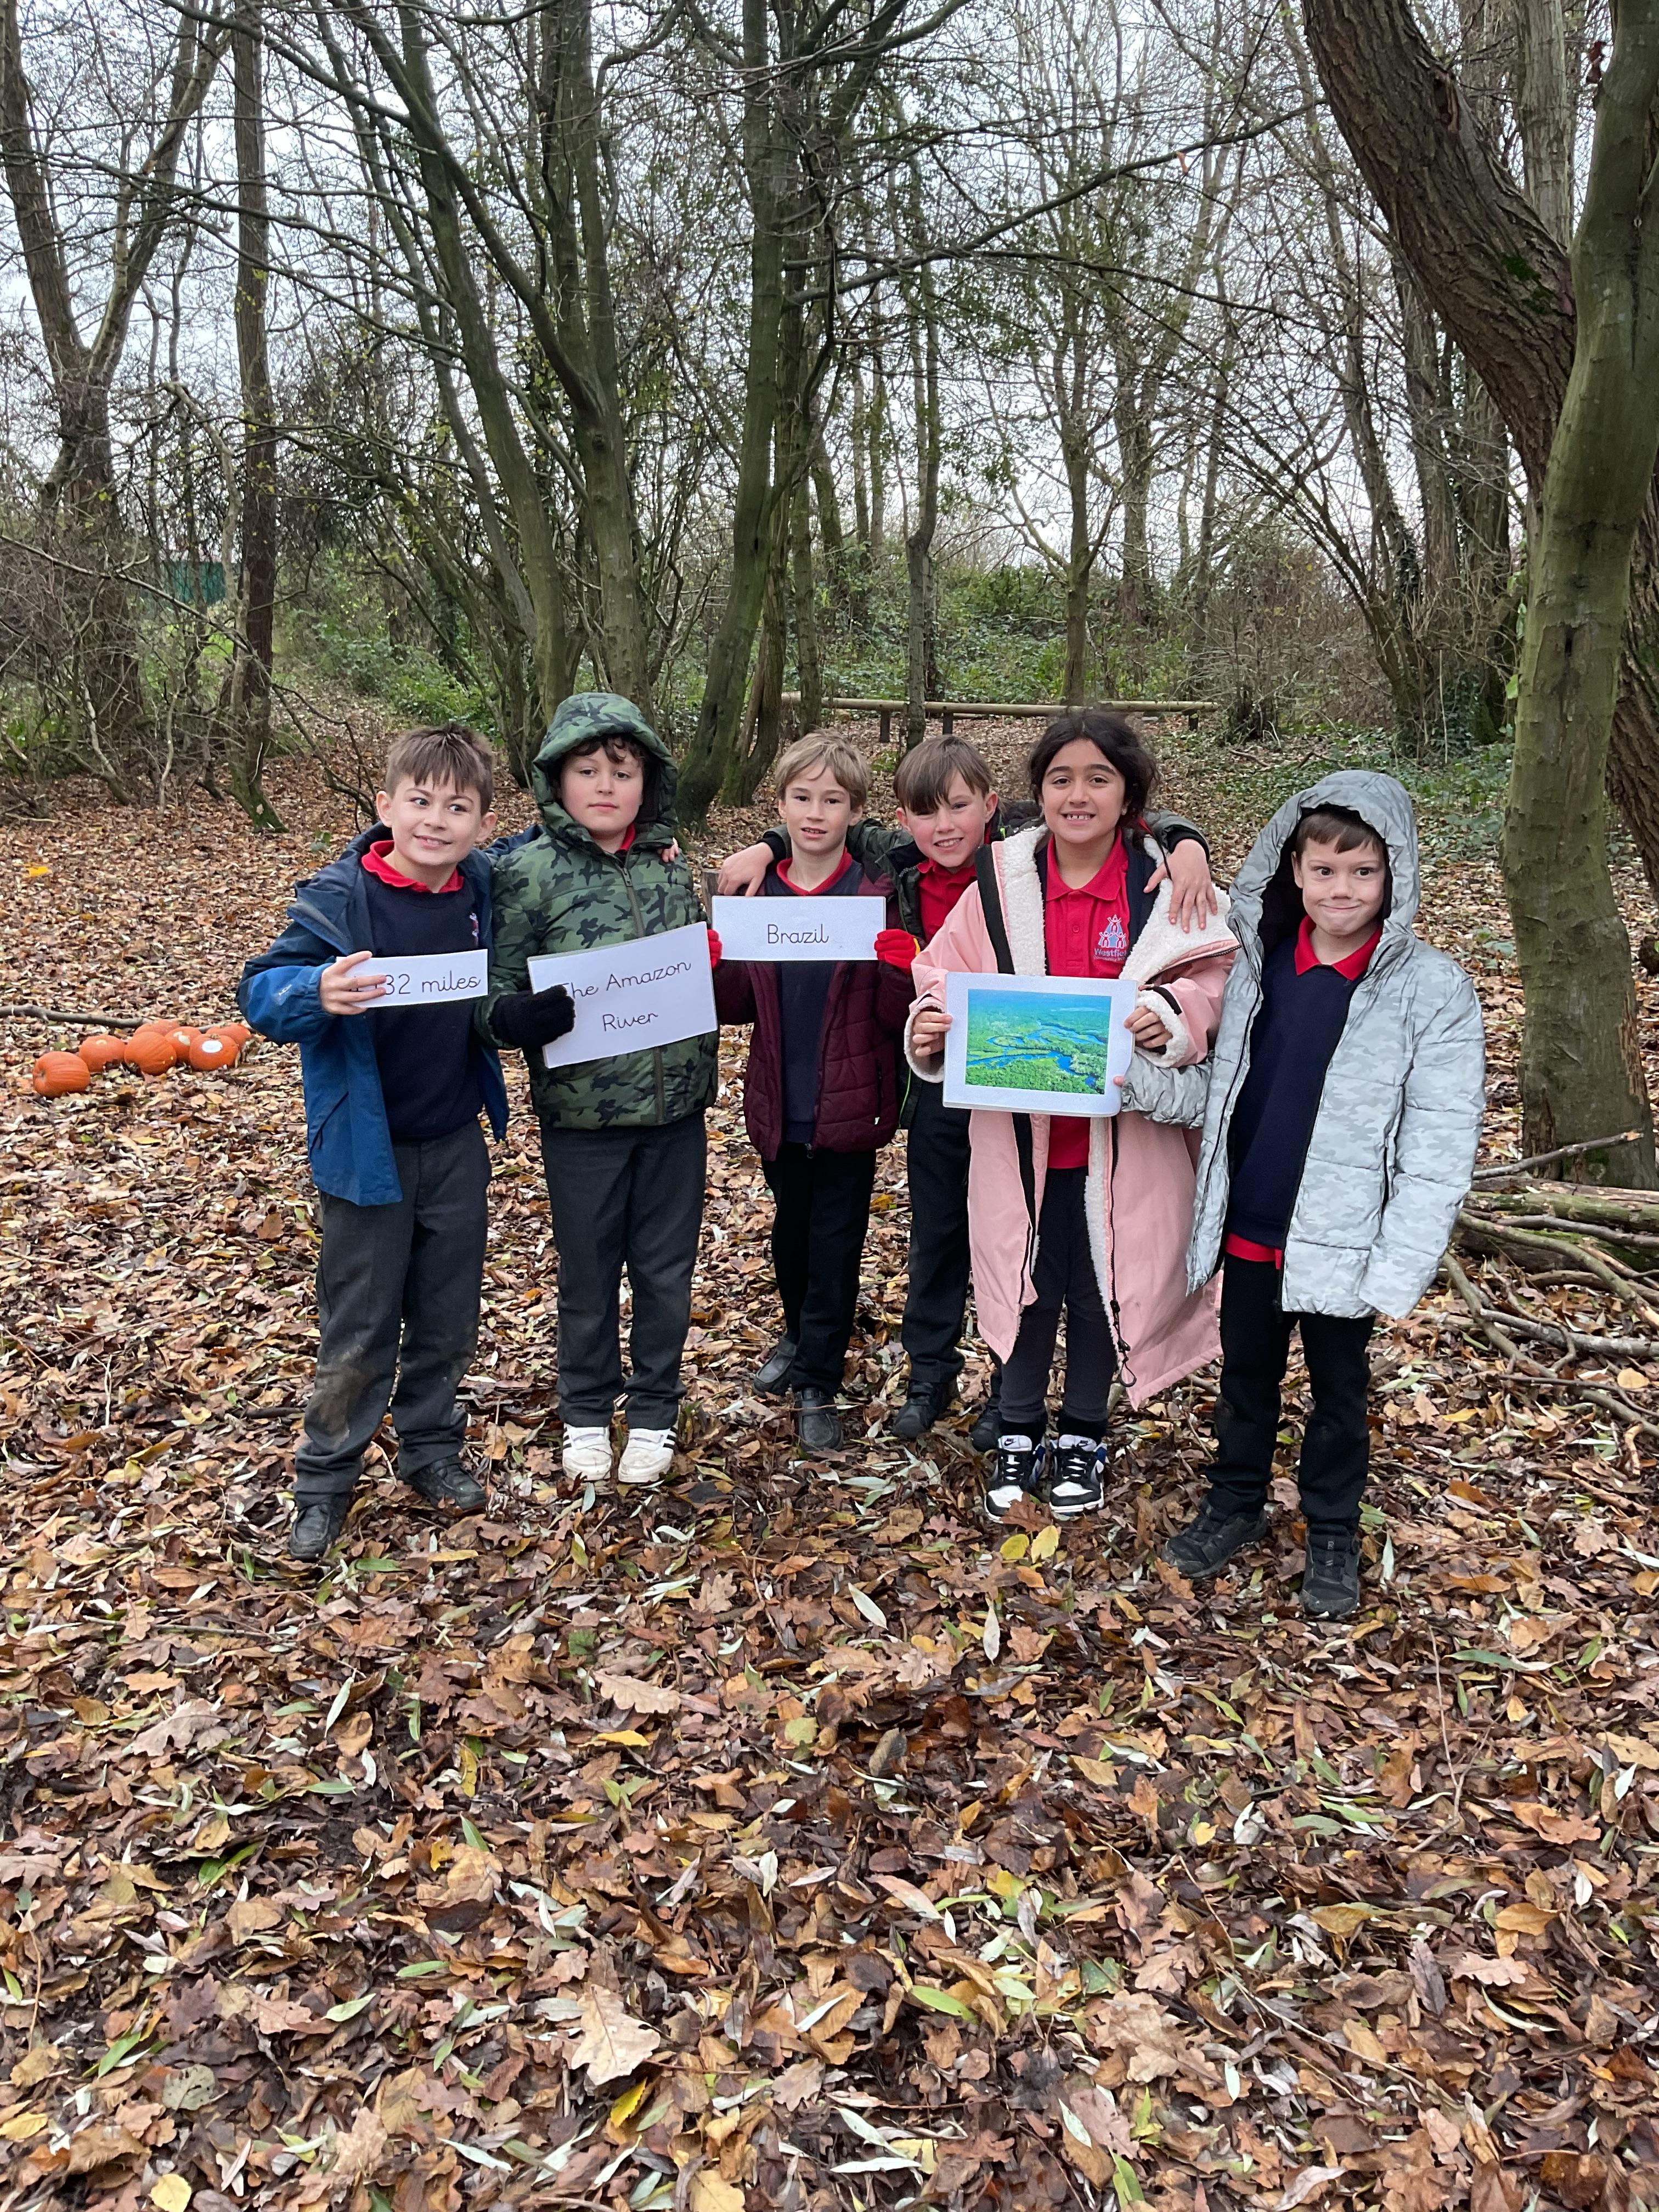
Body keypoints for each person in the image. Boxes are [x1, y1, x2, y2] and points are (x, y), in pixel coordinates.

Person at [717, 734, 1218, 1446]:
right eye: (927, 812)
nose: (944, 825)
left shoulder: (1016, 857)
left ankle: (1008, 1389)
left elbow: (1099, 808)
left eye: (960, 807)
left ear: (991, 807)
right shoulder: (895, 866)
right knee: (939, 1234)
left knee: (1021, 1236)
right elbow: (826, 816)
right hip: (940, 1087)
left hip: (1033, 1089)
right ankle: (931, 1374)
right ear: (906, 820)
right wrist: (766, 847)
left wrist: (1184, 841)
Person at [1163, 772, 1485, 1618]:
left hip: (1347, 1239)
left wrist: (1399, 1262)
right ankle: (1234, 1501)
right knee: (1247, 1376)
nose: (1343, 890)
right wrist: (1135, 1072)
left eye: (1364, 872)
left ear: (1395, 874)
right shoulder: (1259, 967)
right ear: (1294, 870)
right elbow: (1216, 1091)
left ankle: (1333, 1529)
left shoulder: (1432, 990)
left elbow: (1439, 1142)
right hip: (1251, 1221)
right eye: (1325, 870)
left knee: (1340, 1396)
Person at [905, 709, 1237, 1522]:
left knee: (1100, 1288)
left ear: (1129, 794)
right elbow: (942, 971)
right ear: (1038, 792)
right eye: (1060, 779)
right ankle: (1019, 1428)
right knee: (1024, 1285)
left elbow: (1215, 980)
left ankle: (1085, 1431)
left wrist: (1173, 1015)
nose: (1078, 795)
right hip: (1020, 1140)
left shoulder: (1167, 887)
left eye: (1098, 779)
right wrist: (931, 1024)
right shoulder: (1000, 881)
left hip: (1126, 1142)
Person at [239, 724, 508, 1562]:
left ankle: (429, 1449)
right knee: (358, 1327)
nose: (436, 820)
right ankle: (325, 1482)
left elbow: (567, 846)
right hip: (365, 1151)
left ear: (482, 825)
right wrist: (314, 990)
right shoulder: (339, 898)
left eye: (457, 808)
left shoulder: (481, 890)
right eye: (420, 801)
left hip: (454, 1141)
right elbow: (260, 993)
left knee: (447, 1317)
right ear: (386, 805)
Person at [482, 694, 718, 1488]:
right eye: (587, 771)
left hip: (676, 1113)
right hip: (582, 1122)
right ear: (557, 780)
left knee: (665, 1274)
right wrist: (514, 1018)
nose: (606, 786)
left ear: (649, 780)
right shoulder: (524, 874)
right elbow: (491, 996)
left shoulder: (672, 865)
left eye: (623, 771)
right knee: (587, 1276)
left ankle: (653, 1410)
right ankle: (586, 1410)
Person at [712, 735, 916, 1454]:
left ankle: (818, 1384)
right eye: (802, 797)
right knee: (790, 1235)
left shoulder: (874, 895)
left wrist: (900, 969)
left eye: (832, 800)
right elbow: (736, 1004)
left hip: (851, 1107)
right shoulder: (755, 895)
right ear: (780, 805)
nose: (815, 813)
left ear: (855, 811)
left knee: (836, 1244)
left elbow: (896, 1018)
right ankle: (798, 1336)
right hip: (781, 1099)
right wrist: (717, 962)